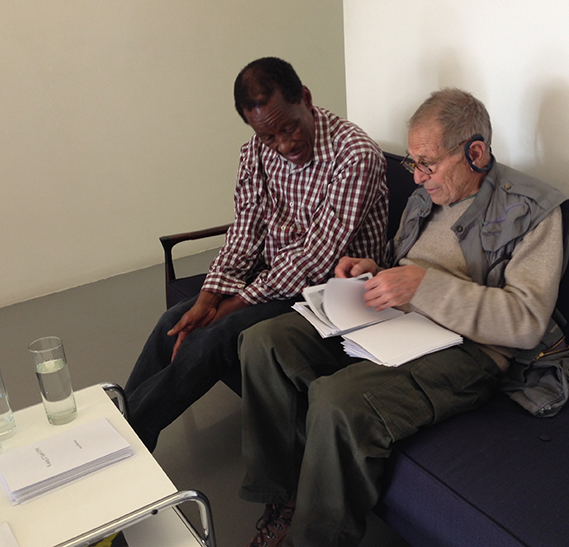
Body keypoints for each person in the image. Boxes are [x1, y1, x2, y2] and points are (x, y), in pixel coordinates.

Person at [236, 88, 569, 547]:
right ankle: (282, 496)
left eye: (427, 164)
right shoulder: (428, 195)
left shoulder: (534, 212)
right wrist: (377, 272)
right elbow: (408, 264)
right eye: (412, 163)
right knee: (265, 341)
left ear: (475, 152)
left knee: (338, 400)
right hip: (400, 321)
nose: (417, 178)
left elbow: (526, 320)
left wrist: (421, 285)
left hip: (472, 349)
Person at [124, 57, 389, 451]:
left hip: (332, 292)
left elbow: (315, 260)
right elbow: (244, 232)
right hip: (277, 278)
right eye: (268, 137)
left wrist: (230, 306)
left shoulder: (355, 155)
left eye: (289, 127)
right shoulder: (255, 153)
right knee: (174, 322)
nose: (283, 145)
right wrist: (209, 296)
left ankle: (125, 443)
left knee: (213, 336)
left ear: (306, 99)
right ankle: (121, 423)